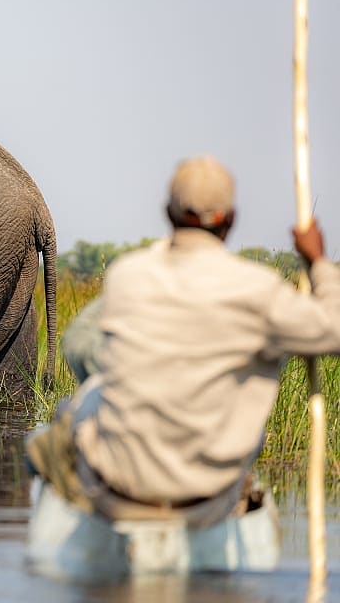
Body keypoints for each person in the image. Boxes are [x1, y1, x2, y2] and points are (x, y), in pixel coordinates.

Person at [27, 156, 340, 524]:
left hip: (119, 493)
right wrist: (318, 262)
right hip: (206, 500)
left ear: (167, 213)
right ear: (232, 219)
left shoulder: (129, 276)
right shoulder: (259, 288)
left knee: (63, 422)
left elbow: (82, 344)